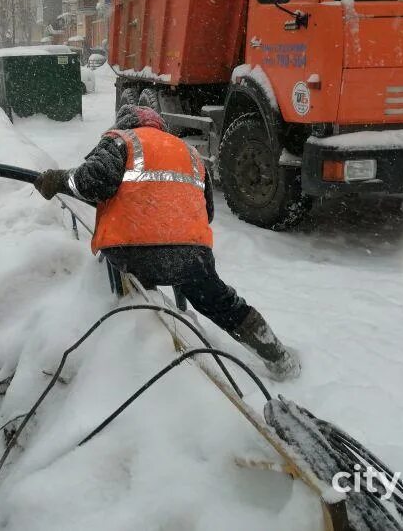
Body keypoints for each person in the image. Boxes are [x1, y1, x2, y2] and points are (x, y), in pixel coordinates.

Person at [33, 104, 300, 380]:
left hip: (132, 254)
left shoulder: (121, 141)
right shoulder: (191, 154)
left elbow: (91, 183)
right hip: (191, 258)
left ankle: (140, 360)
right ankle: (278, 357)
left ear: (124, 124)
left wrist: (59, 180)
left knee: (131, 290)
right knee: (220, 302)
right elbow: (205, 212)